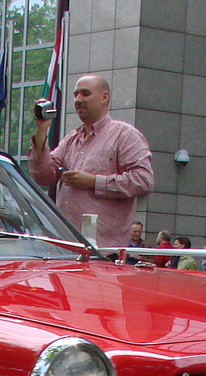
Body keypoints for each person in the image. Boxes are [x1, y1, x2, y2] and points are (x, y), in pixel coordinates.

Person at [28, 73, 154, 249]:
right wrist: (41, 130)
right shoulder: (71, 138)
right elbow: (43, 176)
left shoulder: (125, 135)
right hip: (64, 246)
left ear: (105, 97)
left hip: (103, 251)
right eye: (75, 94)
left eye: (85, 94)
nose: (78, 99)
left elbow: (143, 181)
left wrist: (94, 182)